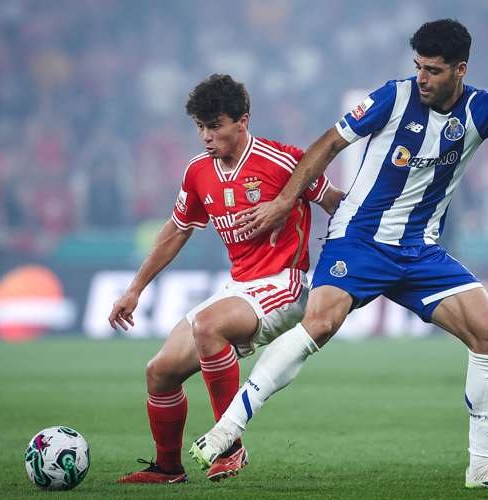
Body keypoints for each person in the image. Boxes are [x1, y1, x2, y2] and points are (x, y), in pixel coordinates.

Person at [190, 20, 488, 490]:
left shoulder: (481, 109)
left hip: (419, 251)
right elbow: (328, 144)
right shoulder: (392, 98)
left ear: (460, 70)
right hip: (359, 238)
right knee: (319, 324)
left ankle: (481, 467)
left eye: (434, 71)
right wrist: (282, 202)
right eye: (418, 67)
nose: (422, 78)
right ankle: (227, 430)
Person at [109, 74, 343, 484]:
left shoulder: (284, 161)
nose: (205, 136)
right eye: (200, 126)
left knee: (208, 324)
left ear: (243, 121)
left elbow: (336, 204)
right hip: (238, 287)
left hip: (283, 283)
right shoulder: (198, 171)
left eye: (214, 125)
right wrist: (135, 288)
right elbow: (177, 229)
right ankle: (168, 467)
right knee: (159, 371)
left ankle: (228, 445)